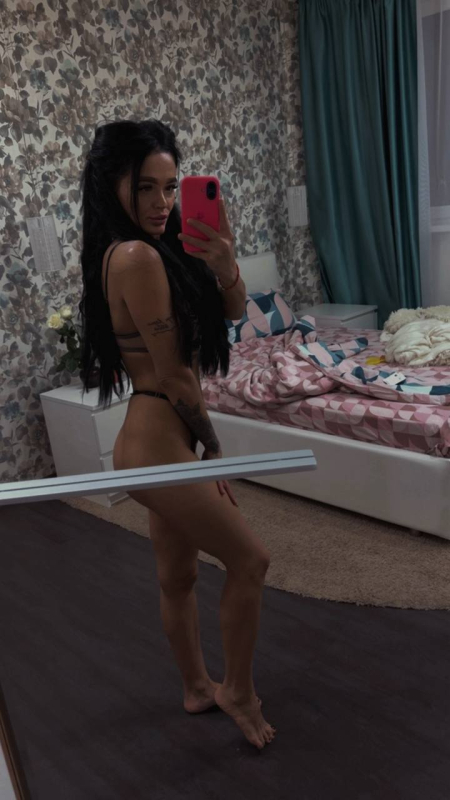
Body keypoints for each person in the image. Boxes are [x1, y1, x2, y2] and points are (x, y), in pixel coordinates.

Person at [78, 119, 276, 750]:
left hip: (158, 439)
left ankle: (196, 687)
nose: (162, 202)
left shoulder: (156, 249)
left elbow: (233, 313)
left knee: (178, 577)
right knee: (250, 560)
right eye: (146, 188)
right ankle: (238, 690)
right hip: (157, 442)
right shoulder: (134, 257)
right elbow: (174, 376)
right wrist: (212, 452)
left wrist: (225, 262)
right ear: (113, 185)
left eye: (169, 187)